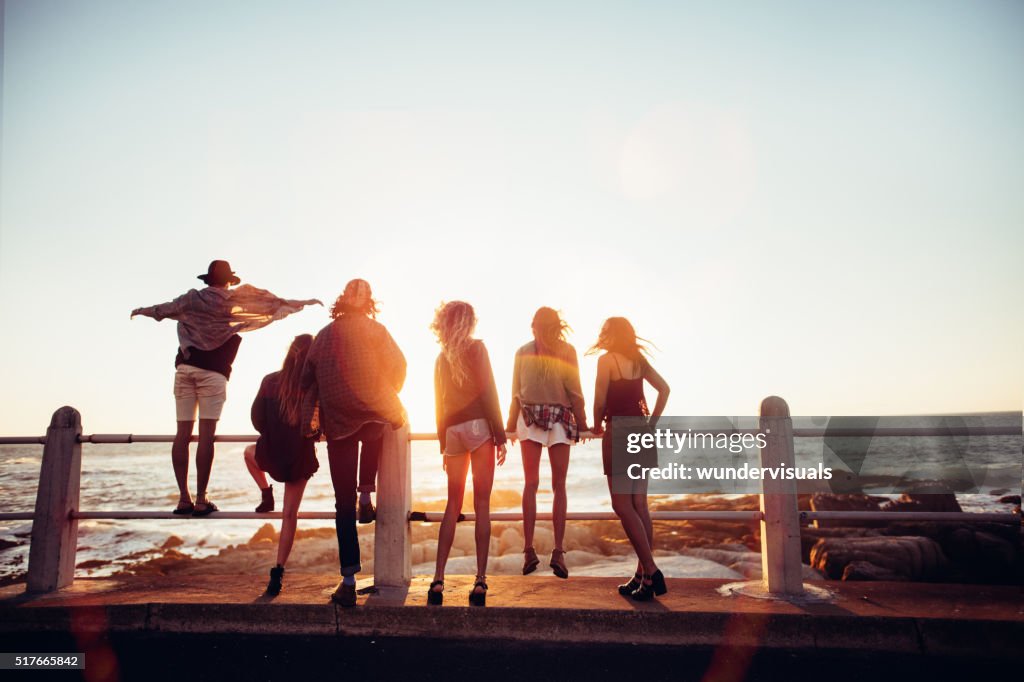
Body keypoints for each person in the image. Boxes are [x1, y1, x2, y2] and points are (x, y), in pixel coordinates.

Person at [131, 260, 320, 516]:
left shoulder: (191, 299)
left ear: (208, 280)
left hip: (185, 370)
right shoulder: (232, 301)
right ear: (228, 280)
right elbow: (270, 304)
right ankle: (200, 499)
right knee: (206, 436)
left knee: (182, 435)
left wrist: (142, 310)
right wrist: (301, 303)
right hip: (213, 374)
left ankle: (183, 499)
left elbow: (164, 310)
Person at [302, 279, 406, 607]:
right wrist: (384, 392)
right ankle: (366, 493)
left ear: (344, 298)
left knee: (340, 503)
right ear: (366, 301)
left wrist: (320, 409)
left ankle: (348, 581)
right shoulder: (377, 331)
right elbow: (399, 366)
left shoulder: (324, 335)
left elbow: (307, 378)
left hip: (338, 423)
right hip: (372, 412)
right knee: (375, 427)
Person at [429, 301, 507, 606]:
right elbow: (489, 391)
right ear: (470, 322)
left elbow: (438, 404)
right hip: (477, 427)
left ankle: (438, 579)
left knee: (452, 504)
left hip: (452, 433)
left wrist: (443, 444)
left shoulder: (440, 358)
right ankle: (480, 580)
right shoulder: (476, 349)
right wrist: (499, 435)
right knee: (483, 504)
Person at [589, 317, 670, 601]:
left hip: (620, 431)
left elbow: (599, 399)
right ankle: (643, 577)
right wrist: (652, 424)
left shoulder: (607, 360)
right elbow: (665, 389)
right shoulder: (639, 360)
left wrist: (595, 425)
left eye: (605, 332)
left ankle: (651, 570)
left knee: (621, 503)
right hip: (642, 431)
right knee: (639, 504)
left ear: (611, 335)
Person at [505, 307, 589, 579]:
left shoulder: (522, 351)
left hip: (528, 416)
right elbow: (575, 391)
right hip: (560, 417)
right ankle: (558, 552)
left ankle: (529, 550)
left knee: (530, 483)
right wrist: (584, 424)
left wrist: (508, 427)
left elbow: (515, 394)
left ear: (533, 326)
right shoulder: (567, 350)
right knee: (559, 485)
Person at [242, 334, 319, 596]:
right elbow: (318, 424)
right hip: (299, 455)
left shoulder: (270, 381)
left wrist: (273, 432)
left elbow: (257, 420)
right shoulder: (312, 385)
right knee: (290, 515)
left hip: (273, 451)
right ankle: (278, 570)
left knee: (248, 453)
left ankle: (266, 493)